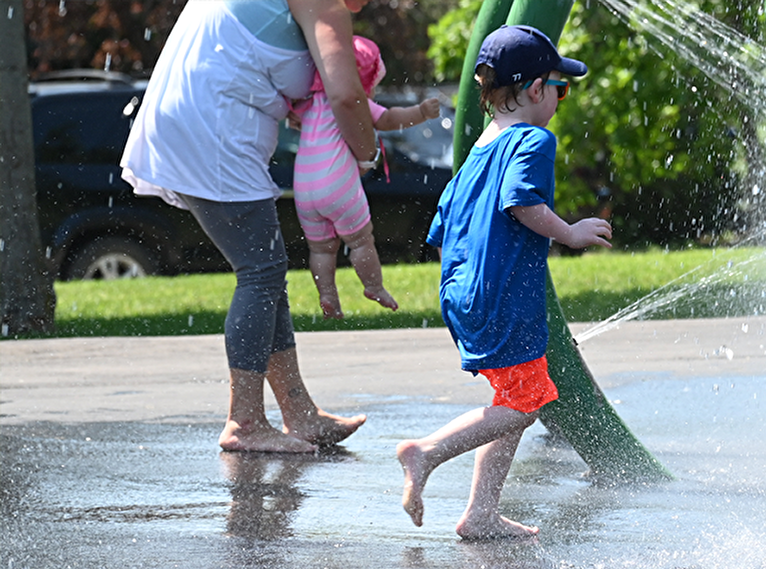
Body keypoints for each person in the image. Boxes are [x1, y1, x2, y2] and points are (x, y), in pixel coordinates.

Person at [121, 0, 378, 454]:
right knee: (261, 272)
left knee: (266, 268)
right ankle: (244, 421)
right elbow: (345, 95)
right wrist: (368, 153)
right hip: (213, 131)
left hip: (191, 119)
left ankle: (299, 413)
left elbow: (246, 58)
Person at [396, 25, 612, 540]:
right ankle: (425, 452)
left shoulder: (480, 146)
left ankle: (481, 513)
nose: (560, 99)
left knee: (514, 398)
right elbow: (521, 201)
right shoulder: (533, 140)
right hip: (504, 296)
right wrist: (570, 234)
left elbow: (443, 224)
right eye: (561, 88)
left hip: (465, 289)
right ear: (536, 89)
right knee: (527, 404)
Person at [292, 35, 441, 320]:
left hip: (304, 188)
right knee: (360, 241)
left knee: (321, 249)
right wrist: (421, 112)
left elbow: (292, 115)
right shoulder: (352, 99)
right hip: (337, 184)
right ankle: (373, 286)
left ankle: (327, 295)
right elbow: (389, 119)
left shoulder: (310, 103)